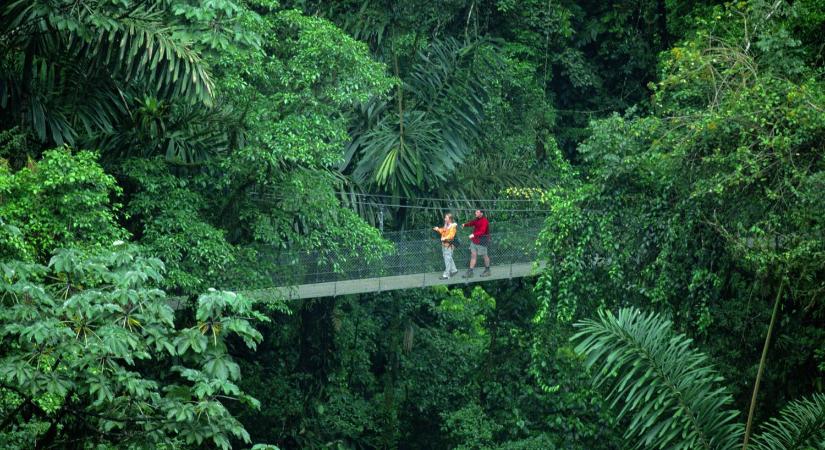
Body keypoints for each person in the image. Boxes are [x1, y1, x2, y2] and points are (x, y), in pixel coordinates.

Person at [461, 209, 490, 278]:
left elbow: (482, 231)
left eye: (477, 212)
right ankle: (470, 272)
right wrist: (464, 225)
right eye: (476, 212)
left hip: (482, 241)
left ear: (481, 213)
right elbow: (471, 223)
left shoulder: (485, 221)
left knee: (484, 256)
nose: (475, 213)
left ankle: (487, 270)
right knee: (473, 255)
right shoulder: (476, 219)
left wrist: (473, 234)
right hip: (474, 241)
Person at [433, 213, 459, 280]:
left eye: (446, 218)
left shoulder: (453, 226)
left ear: (450, 219)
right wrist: (438, 229)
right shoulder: (447, 225)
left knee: (447, 259)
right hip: (444, 244)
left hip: (449, 245)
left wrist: (445, 238)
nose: (445, 219)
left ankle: (446, 275)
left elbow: (451, 235)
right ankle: (454, 270)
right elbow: (443, 231)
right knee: (448, 258)